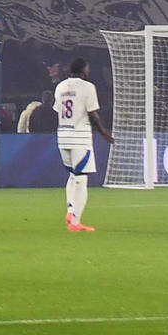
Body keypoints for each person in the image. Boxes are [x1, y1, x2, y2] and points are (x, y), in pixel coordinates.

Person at [54, 53, 110, 234]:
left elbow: (58, 110)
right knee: (81, 180)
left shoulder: (60, 86)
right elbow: (93, 114)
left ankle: (70, 211)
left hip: (63, 137)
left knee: (72, 176)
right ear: (83, 70)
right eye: (87, 68)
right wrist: (103, 132)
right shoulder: (88, 87)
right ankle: (75, 222)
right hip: (80, 138)